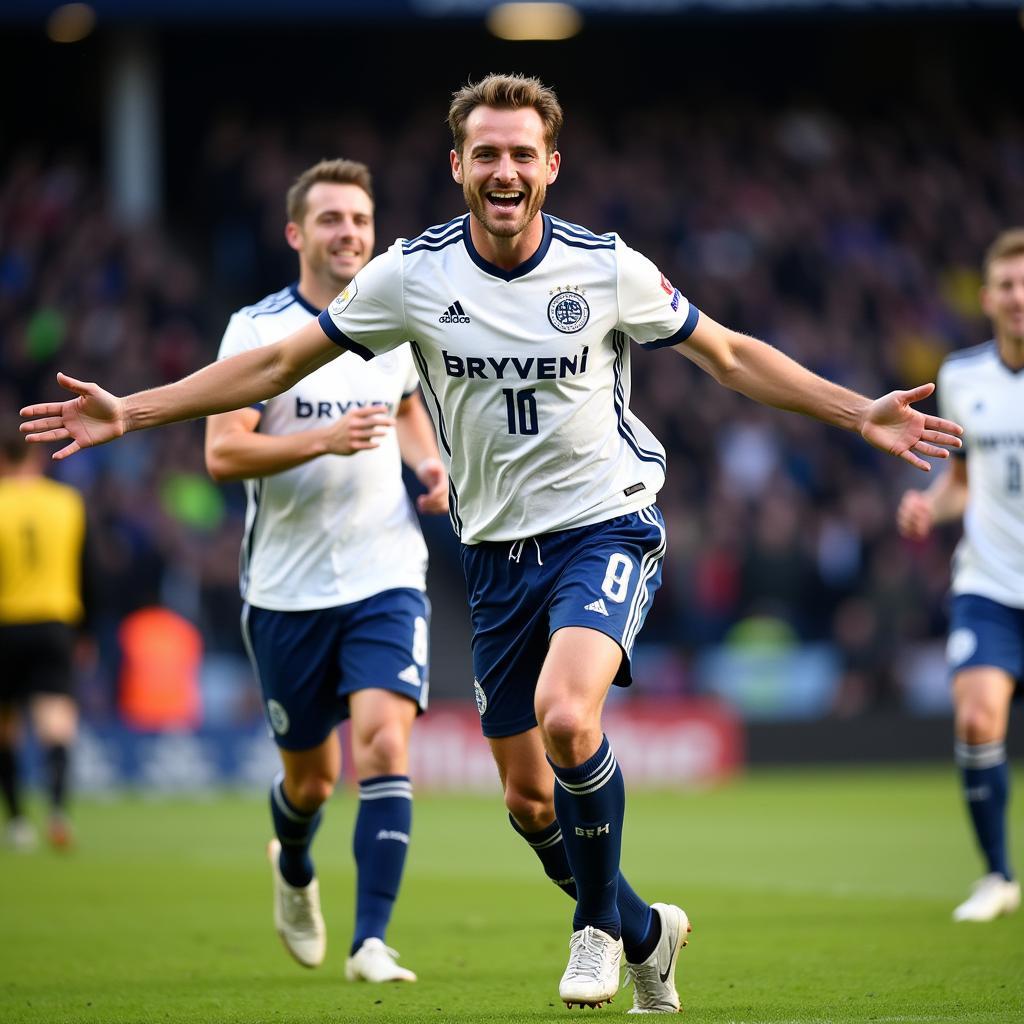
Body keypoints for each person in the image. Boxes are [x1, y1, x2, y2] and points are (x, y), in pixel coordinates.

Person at [21, 74, 963, 1011]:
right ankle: (645, 932)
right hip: (495, 559)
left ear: (551, 167)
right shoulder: (412, 276)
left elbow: (728, 353)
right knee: (528, 801)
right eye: (487, 154)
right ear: (458, 167)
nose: (504, 170)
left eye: (522, 154)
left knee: (567, 716)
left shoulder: (605, 267)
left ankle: (594, 931)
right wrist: (132, 412)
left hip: (605, 527)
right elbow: (273, 362)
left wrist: (857, 412)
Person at [204, 159, 448, 981]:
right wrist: (321, 437)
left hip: (385, 574)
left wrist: (430, 466)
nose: (350, 233)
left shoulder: (392, 327)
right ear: (296, 233)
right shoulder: (256, 330)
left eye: (360, 220)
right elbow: (222, 450)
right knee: (311, 782)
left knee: (383, 744)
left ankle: (369, 941)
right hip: (285, 591)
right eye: (333, 219)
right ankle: (294, 863)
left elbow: (410, 406)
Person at [897, 228, 1023, 924]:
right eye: (1007, 284)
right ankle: (997, 874)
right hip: (990, 584)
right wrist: (930, 506)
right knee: (977, 717)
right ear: (986, 297)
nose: (1019, 296)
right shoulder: (963, 375)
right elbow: (963, 483)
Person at [0, 436, 94, 851]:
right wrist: (86, 631)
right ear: (36, 458)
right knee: (56, 722)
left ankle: (18, 822)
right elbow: (88, 570)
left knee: (6, 729)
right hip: (55, 623)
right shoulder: (67, 503)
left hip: (5, 622)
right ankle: (57, 811)